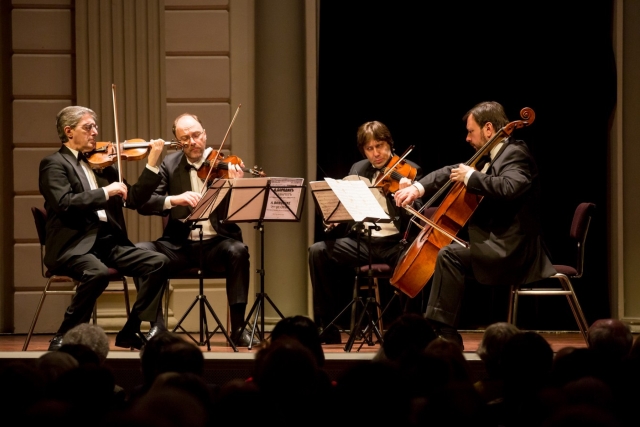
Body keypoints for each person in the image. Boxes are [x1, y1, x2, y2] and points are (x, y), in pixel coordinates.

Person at [394, 101, 556, 349]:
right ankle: (428, 329)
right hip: (494, 242)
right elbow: (450, 171)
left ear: (488, 128)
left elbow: (511, 187)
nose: (467, 138)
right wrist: (418, 188)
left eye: (471, 131)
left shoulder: (515, 153)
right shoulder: (491, 155)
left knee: (448, 255)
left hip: (513, 249)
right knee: (441, 255)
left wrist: (471, 177)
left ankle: (446, 334)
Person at [39, 106, 169, 351]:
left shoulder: (104, 165)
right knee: (97, 273)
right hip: (73, 245)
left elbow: (134, 200)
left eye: (95, 127)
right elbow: (64, 203)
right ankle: (65, 334)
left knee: (158, 262)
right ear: (69, 131)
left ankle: (130, 330)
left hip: (107, 243)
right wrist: (105, 192)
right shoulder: (54, 164)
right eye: (88, 127)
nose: (95, 132)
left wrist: (152, 165)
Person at [135, 113, 257, 347]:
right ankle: (157, 326)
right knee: (140, 252)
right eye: (185, 138)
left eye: (196, 135)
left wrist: (235, 186)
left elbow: (239, 213)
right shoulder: (169, 164)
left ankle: (238, 328)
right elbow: (145, 203)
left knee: (238, 251)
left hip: (217, 244)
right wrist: (174, 199)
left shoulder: (224, 164)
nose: (192, 142)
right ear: (178, 142)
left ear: (205, 135)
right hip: (179, 246)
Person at [308, 120, 423, 344]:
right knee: (317, 251)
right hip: (363, 242)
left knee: (415, 260)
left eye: (379, 146)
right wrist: (336, 218)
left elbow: (418, 214)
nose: (375, 153)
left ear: (389, 144)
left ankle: (410, 328)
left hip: (395, 243)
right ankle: (327, 326)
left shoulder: (409, 169)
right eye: (369, 148)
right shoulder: (358, 169)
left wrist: (406, 196)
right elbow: (349, 203)